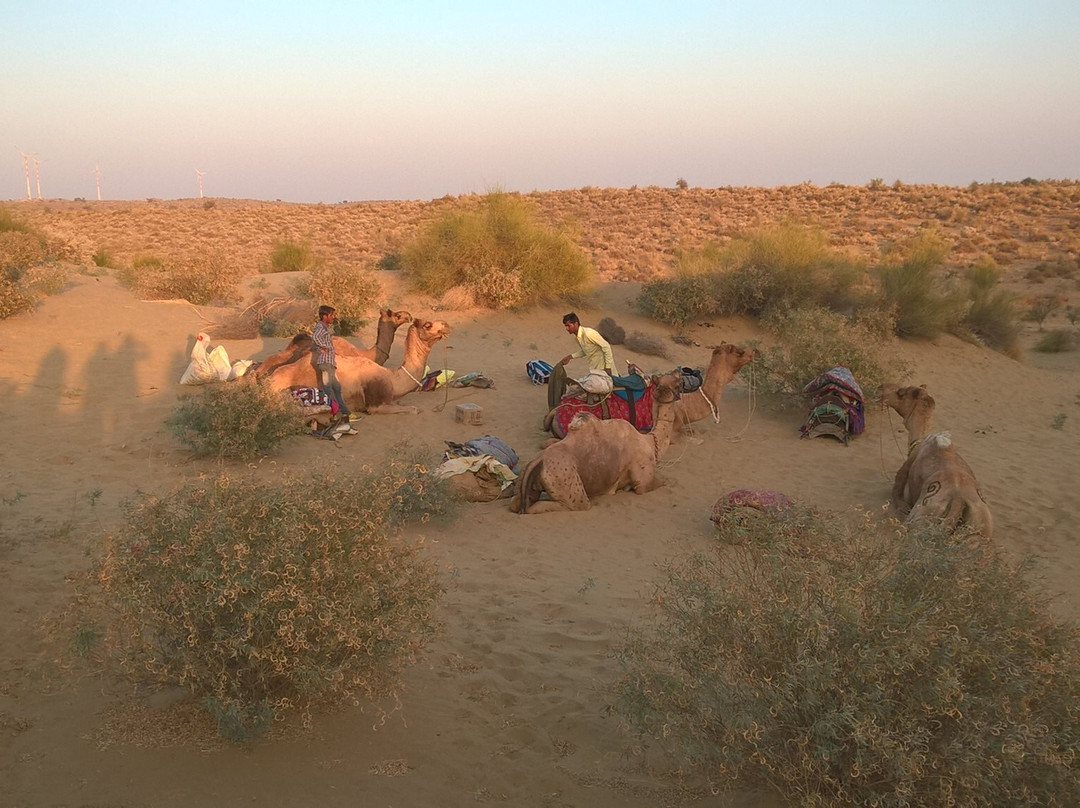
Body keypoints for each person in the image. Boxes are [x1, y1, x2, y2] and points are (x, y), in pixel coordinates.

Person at [311, 305, 357, 434]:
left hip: (330, 363)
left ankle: (346, 412)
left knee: (337, 388)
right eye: (331, 315)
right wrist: (323, 346)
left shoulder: (324, 327)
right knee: (327, 388)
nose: (333, 317)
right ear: (324, 316)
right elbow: (315, 338)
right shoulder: (321, 327)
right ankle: (329, 415)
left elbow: (314, 343)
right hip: (326, 363)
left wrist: (319, 348)